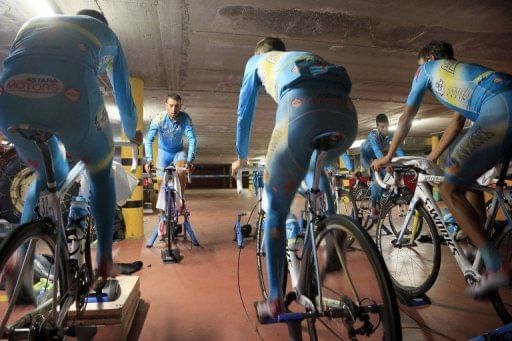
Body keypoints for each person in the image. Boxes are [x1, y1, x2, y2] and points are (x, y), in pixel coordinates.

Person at [0, 10, 142, 288]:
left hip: (9, 100)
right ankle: (104, 260)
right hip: (70, 99)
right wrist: (131, 131)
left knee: (49, 170)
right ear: (102, 25)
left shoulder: (34, 23)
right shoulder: (107, 37)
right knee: (101, 171)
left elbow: (18, 60)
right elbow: (125, 99)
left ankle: (20, 260)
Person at [372, 40, 512, 297]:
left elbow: (406, 117)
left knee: (449, 189)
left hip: (501, 110)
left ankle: (496, 265)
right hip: (503, 102)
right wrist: (432, 157)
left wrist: (388, 155)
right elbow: (457, 124)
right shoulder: (463, 75)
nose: (419, 69)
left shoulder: (428, 69)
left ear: (431, 57)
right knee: (465, 179)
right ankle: (479, 239)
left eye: (420, 63)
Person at [231, 37, 357, 318]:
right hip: (346, 116)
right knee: (316, 164)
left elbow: (244, 111)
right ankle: (329, 228)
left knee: (275, 210)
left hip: (301, 111)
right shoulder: (307, 56)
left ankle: (274, 299)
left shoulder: (258, 61)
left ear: (262, 53)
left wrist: (240, 154)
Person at [144, 93, 196, 208]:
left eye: (177, 106)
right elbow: (149, 140)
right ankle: (163, 214)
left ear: (180, 106)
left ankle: (181, 200)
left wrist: (190, 161)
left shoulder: (185, 118)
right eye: (171, 105)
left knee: (181, 171)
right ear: (166, 105)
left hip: (178, 152)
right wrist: (149, 160)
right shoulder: (159, 118)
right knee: (160, 182)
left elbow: (192, 140)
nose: (174, 109)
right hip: (164, 152)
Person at [361, 113, 405, 218]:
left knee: (389, 175)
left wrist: (405, 161)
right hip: (366, 157)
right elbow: (377, 151)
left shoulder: (390, 135)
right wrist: (385, 164)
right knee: (377, 177)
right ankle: (373, 206)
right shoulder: (372, 135)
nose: (385, 129)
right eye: (382, 127)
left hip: (377, 157)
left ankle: (381, 195)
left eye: (387, 126)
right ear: (377, 127)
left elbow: (397, 149)